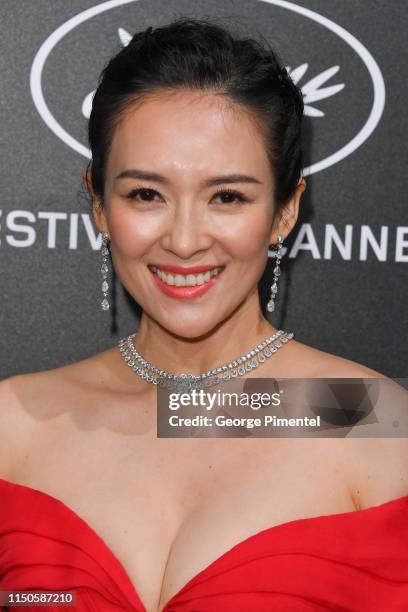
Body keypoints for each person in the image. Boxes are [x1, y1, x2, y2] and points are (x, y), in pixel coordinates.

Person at [0, 17, 407, 612]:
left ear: (284, 211)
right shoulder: (14, 426)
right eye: (145, 194)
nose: (185, 241)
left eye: (227, 197)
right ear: (98, 205)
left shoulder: (372, 422)